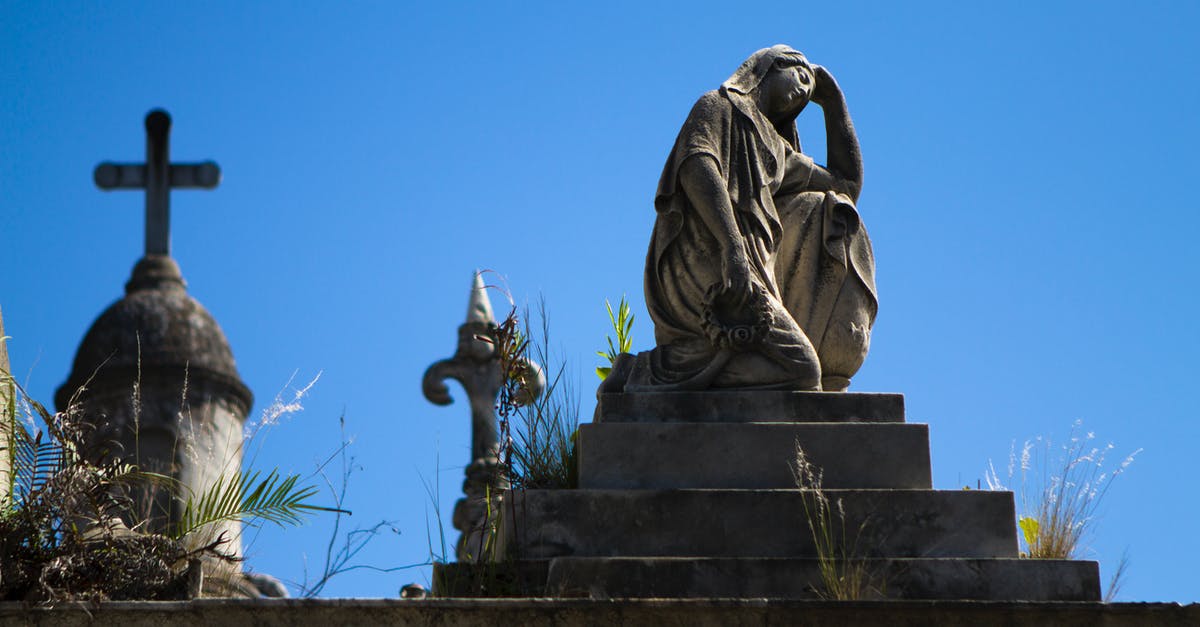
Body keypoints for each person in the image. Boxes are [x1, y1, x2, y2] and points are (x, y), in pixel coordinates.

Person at [621, 45, 877, 393]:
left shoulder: (777, 149)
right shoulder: (718, 105)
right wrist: (732, 247)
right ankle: (652, 372)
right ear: (770, 66)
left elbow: (846, 186)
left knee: (788, 370)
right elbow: (698, 164)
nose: (804, 89)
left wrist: (833, 102)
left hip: (752, 274)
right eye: (800, 76)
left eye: (809, 90)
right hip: (707, 263)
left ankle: (650, 370)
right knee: (802, 371)